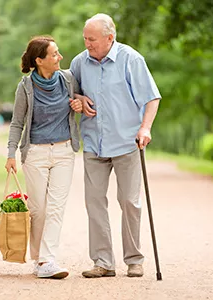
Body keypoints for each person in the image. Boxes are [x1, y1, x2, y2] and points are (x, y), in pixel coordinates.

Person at [70, 13, 161, 278]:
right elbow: (69, 91)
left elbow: (151, 97)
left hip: (126, 142)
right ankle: (103, 262)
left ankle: (134, 260)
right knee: (94, 202)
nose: (88, 44)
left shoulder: (131, 59)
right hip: (93, 144)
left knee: (129, 202)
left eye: (93, 40)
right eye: (85, 38)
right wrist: (77, 99)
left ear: (110, 38)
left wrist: (145, 127)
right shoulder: (79, 62)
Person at [5, 36, 82, 279]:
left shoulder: (68, 79)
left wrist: (79, 103)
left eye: (58, 52)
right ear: (39, 60)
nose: (60, 57)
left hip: (63, 151)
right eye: (54, 54)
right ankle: (39, 259)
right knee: (39, 209)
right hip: (35, 153)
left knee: (56, 208)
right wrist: (10, 154)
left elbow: (83, 99)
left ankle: (48, 260)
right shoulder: (25, 87)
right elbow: (17, 123)